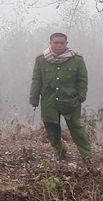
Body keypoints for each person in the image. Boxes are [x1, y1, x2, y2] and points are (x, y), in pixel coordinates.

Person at [29, 32, 91, 162]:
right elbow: (36, 80)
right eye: (55, 43)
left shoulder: (76, 59)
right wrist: (34, 99)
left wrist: (80, 97)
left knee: (76, 128)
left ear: (66, 43)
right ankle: (58, 151)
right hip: (49, 100)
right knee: (51, 129)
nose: (58, 45)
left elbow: (82, 80)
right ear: (50, 43)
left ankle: (86, 155)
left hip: (70, 100)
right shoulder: (41, 59)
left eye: (61, 43)